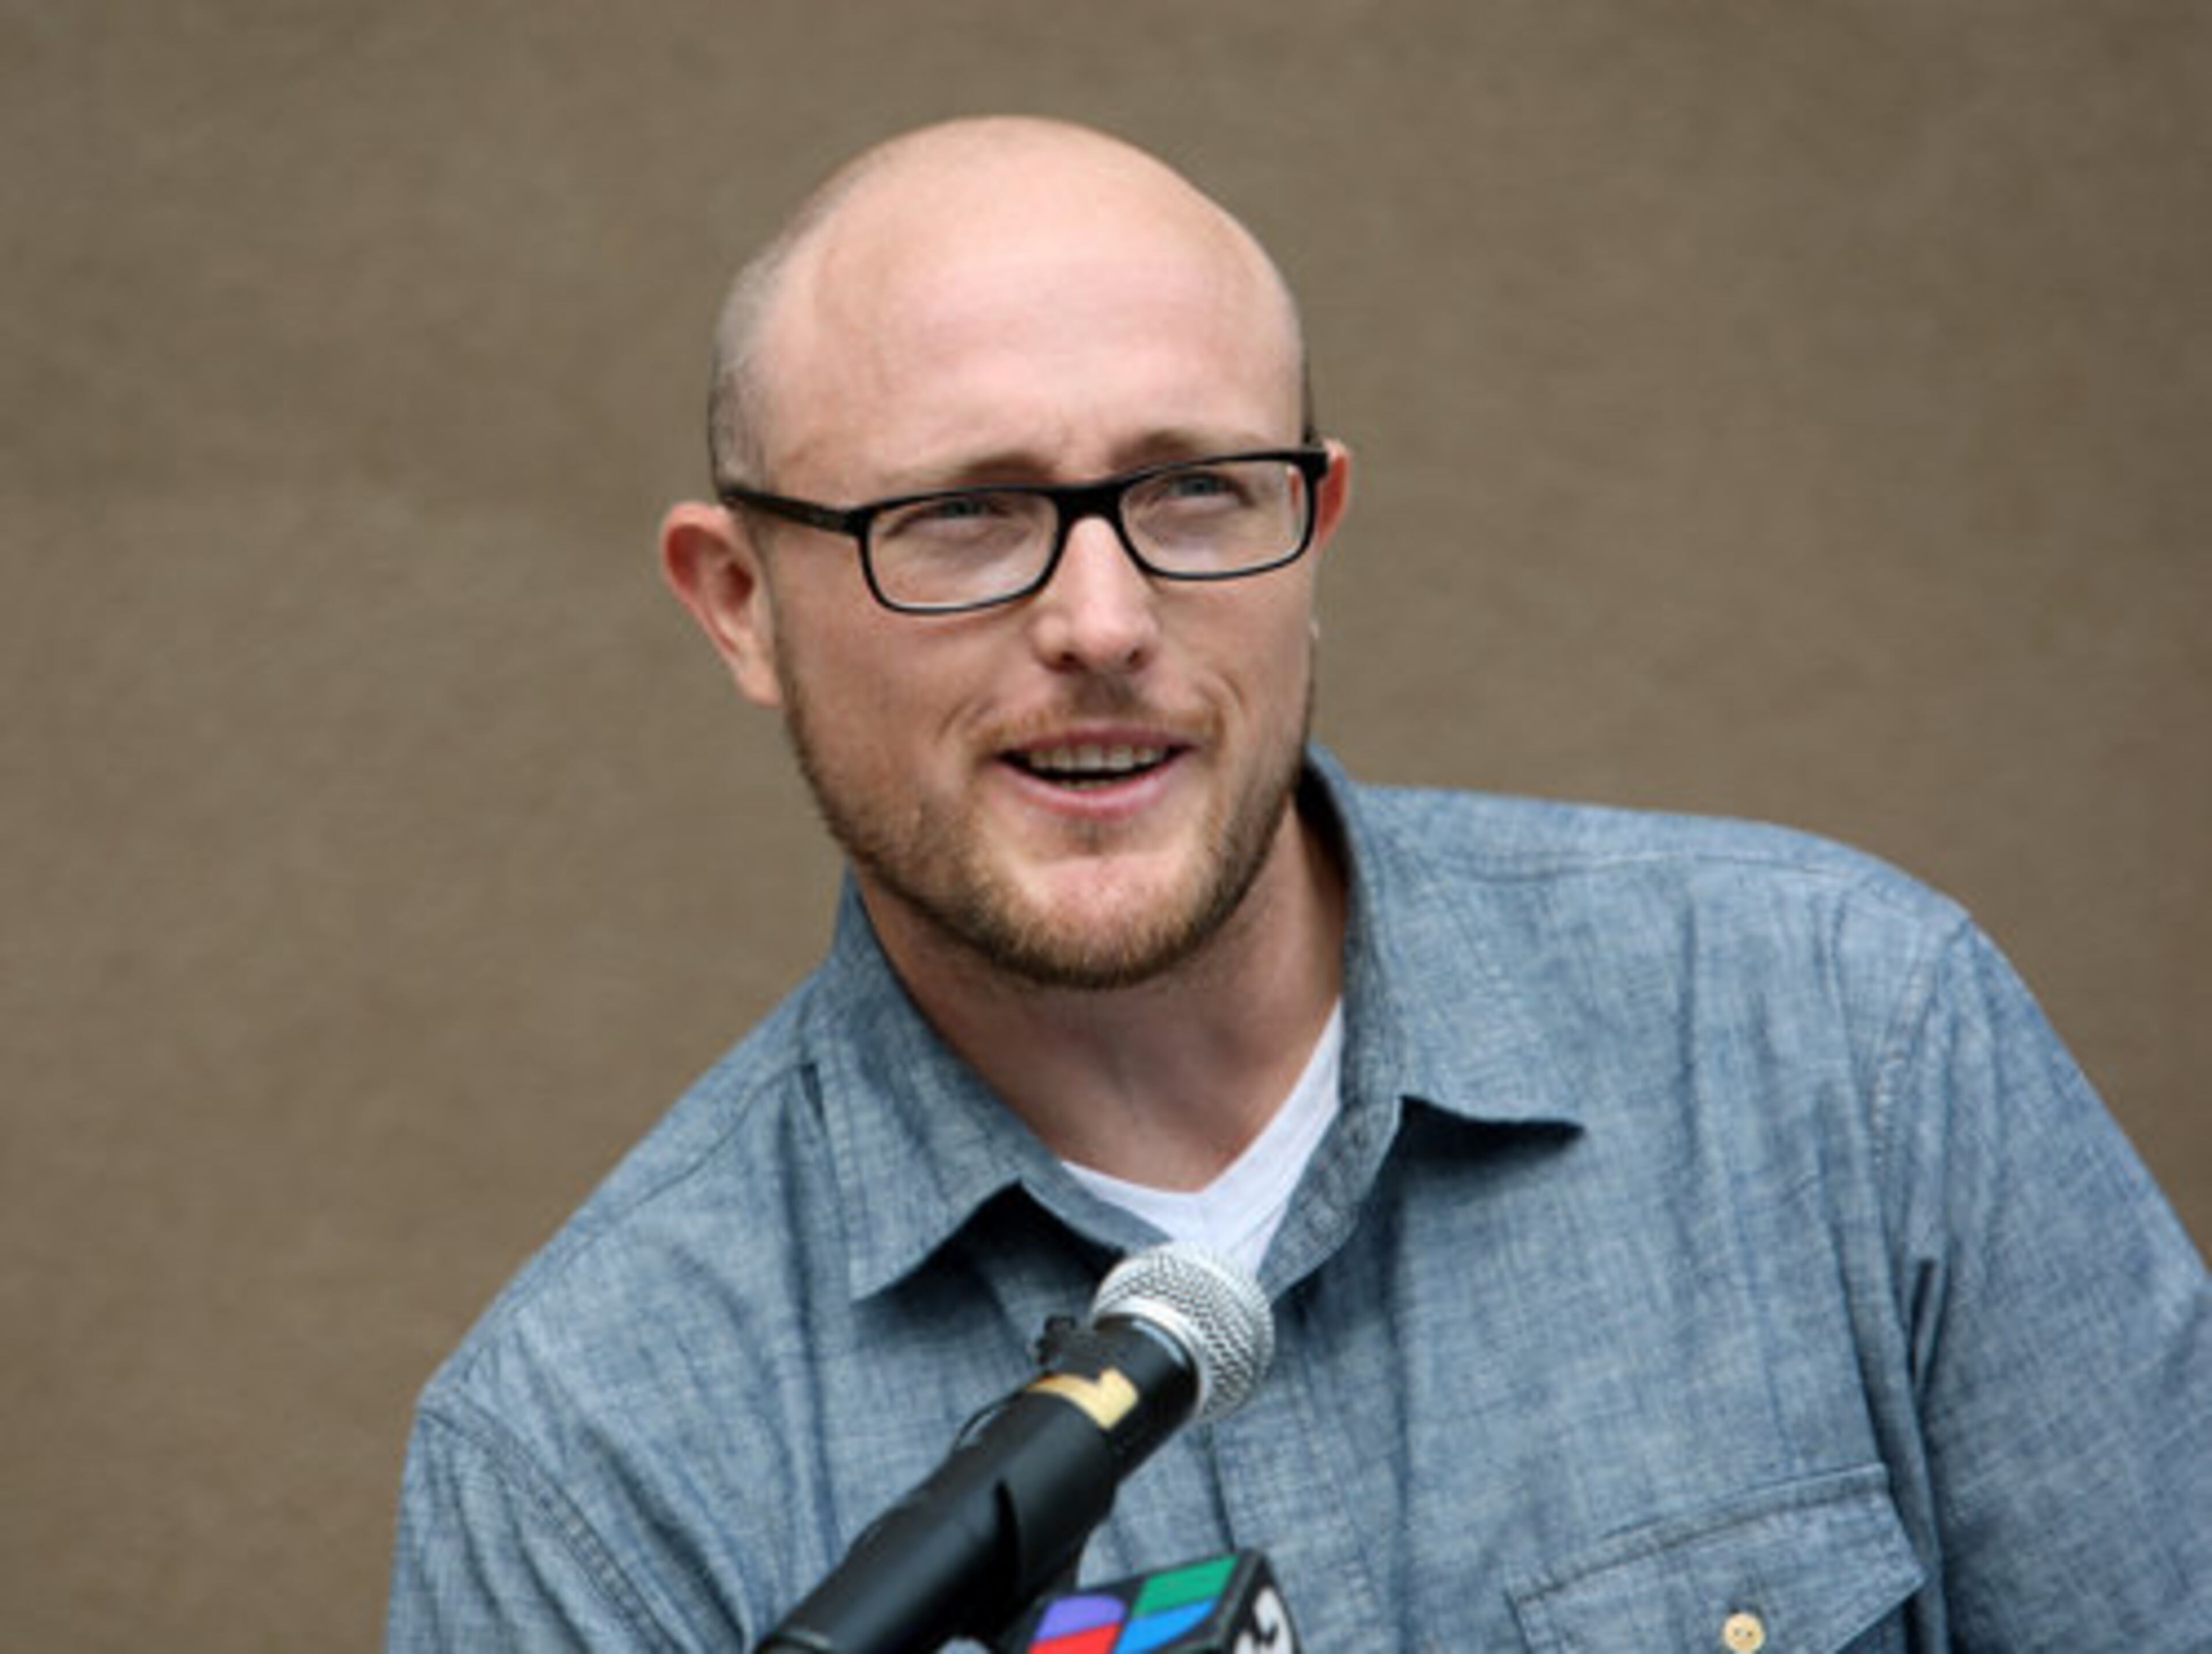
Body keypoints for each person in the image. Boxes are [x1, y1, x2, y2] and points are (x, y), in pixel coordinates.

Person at [387, 116, 2209, 1651]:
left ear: (1313, 526)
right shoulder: (585, 1462)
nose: (1102, 625)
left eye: (1194, 494)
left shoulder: (1852, 1054)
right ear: (739, 605)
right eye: (961, 515)